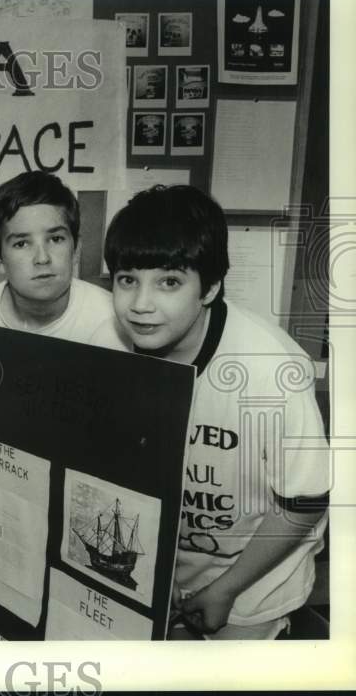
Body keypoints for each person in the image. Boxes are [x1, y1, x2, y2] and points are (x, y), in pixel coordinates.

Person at [104, 185, 329, 640]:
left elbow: (304, 503)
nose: (140, 304)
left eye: (168, 281)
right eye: (127, 279)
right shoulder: (110, 349)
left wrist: (226, 590)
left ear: (209, 287)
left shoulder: (270, 371)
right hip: (163, 572)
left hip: (254, 583)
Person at [0, 171, 123, 347]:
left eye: (56, 239)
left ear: (76, 250)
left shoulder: (111, 316)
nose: (42, 258)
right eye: (21, 244)